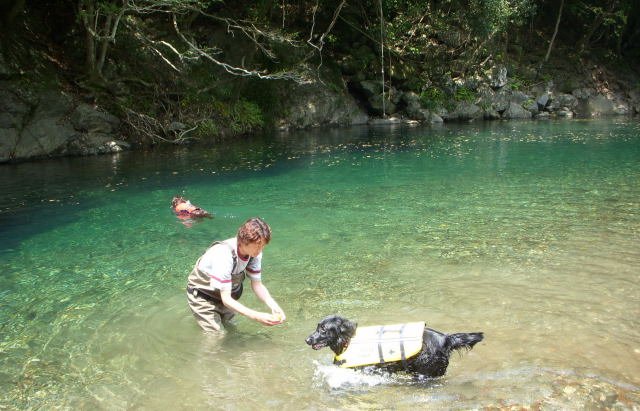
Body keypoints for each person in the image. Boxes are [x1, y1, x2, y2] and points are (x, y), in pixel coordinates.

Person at [186, 217, 285, 332]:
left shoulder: (254, 253)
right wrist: (257, 316)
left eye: (263, 246)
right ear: (244, 240)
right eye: (258, 245)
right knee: (217, 335)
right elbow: (226, 299)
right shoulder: (224, 254)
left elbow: (257, 285)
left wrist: (274, 307)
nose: (260, 250)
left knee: (232, 330)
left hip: (223, 295)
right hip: (202, 296)